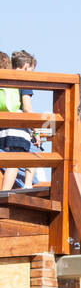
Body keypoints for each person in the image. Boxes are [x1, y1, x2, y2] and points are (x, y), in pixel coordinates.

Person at [1, 51, 38, 190]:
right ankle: (26, 186)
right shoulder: (23, 79)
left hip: (3, 127)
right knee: (32, 152)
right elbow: (27, 108)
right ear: (27, 66)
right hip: (18, 128)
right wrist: (36, 130)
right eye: (32, 70)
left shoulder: (5, 77)